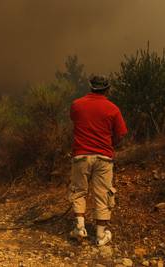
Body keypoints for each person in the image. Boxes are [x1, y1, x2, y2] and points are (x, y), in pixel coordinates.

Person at [69, 75, 128, 246]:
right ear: (107, 90)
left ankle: (80, 229)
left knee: (79, 190)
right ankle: (101, 236)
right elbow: (121, 134)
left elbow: (75, 121)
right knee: (103, 194)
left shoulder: (76, 105)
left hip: (80, 156)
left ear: (90, 87)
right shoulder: (113, 109)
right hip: (104, 157)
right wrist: (112, 144)